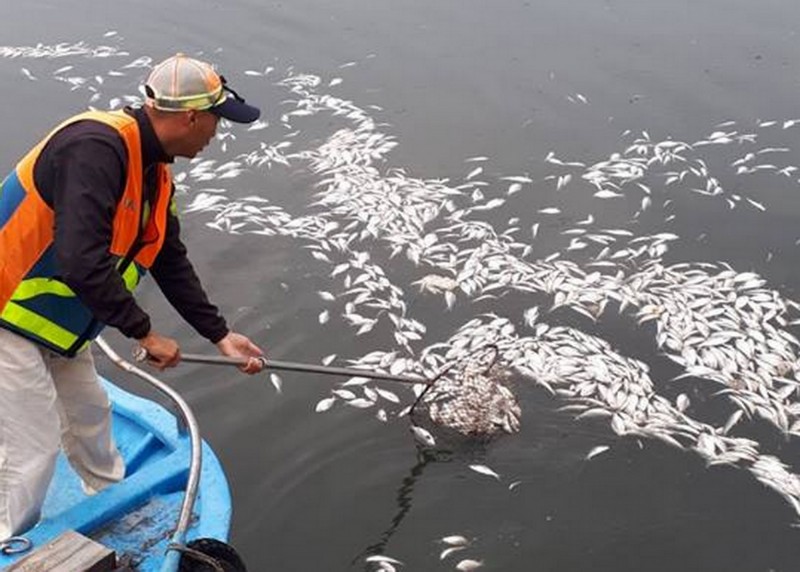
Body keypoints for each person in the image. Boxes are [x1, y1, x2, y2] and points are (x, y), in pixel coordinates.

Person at [0, 53, 266, 539]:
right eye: (215, 122)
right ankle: (10, 546)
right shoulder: (95, 147)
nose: (215, 134)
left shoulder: (154, 172)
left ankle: (117, 516)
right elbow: (81, 258)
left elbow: (168, 257)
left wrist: (221, 334)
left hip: (50, 322)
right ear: (190, 117)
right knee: (32, 453)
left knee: (91, 420)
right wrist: (144, 331)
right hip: (4, 314)